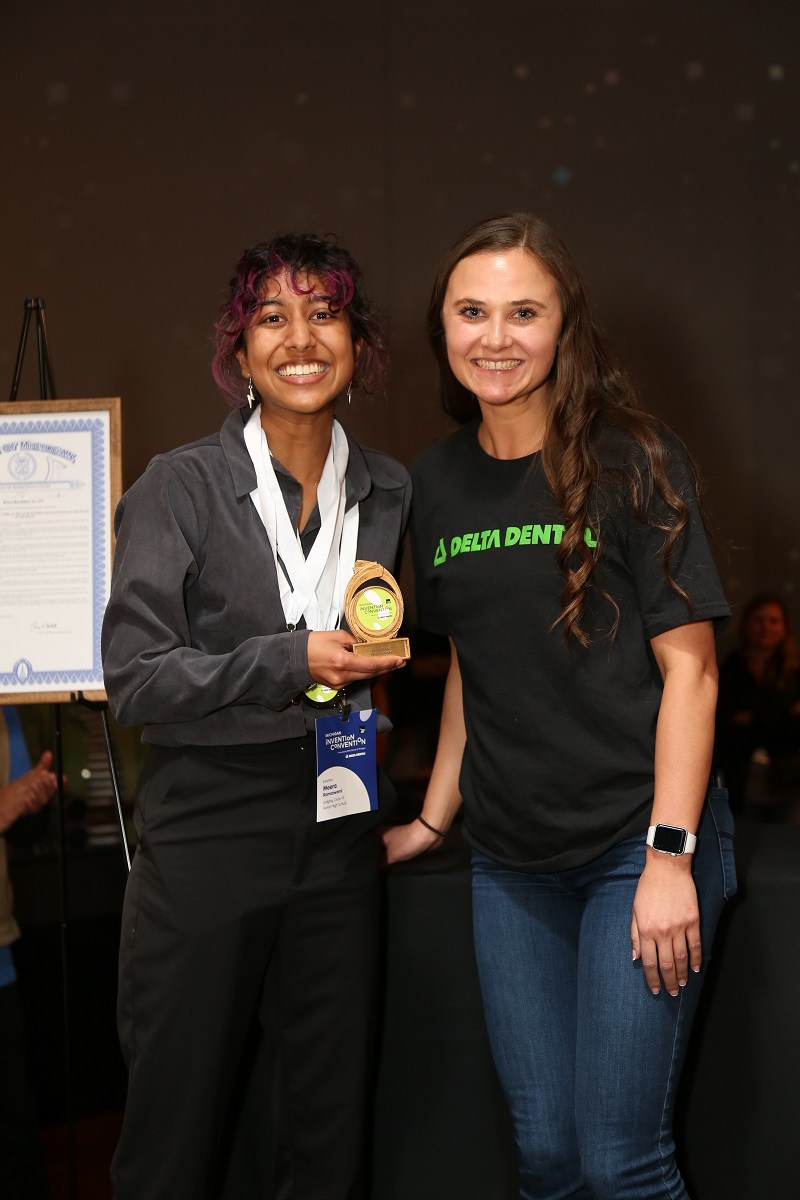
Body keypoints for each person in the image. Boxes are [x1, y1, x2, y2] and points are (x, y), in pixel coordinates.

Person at [383, 213, 736, 1200]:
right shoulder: (433, 482)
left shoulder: (633, 457)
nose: (493, 337)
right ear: (442, 329)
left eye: (521, 312)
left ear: (562, 327)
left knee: (620, 1165)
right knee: (543, 1159)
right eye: (470, 312)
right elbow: (470, 669)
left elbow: (692, 675)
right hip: (512, 862)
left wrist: (668, 855)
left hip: (638, 842)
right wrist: (429, 819)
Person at [101, 234, 410, 1200]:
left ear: (357, 344)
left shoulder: (391, 488)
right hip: (209, 820)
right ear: (239, 353)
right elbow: (134, 678)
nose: (301, 337)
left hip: (338, 809)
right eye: (271, 317)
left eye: (324, 313)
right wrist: (288, 657)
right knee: (176, 1129)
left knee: (327, 1127)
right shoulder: (178, 486)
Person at [1, 706, 57, 1200]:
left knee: (16, 1135)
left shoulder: (6, 706)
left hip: (1, 953)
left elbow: (23, 826)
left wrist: (34, 796)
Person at [715, 592, 800, 819]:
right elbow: (724, 727)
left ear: (784, 627)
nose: (766, 628)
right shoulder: (730, 670)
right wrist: (782, 716)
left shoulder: (794, 673)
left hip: (790, 780)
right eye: (758, 620)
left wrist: (752, 719)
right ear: (746, 625)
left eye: (773, 621)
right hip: (741, 782)